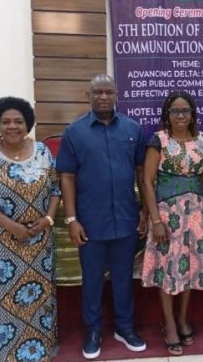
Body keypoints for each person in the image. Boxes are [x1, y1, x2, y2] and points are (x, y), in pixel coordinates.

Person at [56, 74, 147, 360]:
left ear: (117, 94)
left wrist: (145, 209)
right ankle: (93, 330)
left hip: (126, 219)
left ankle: (124, 328)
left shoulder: (133, 128)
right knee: (92, 279)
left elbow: (142, 174)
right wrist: (72, 220)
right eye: (98, 92)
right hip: (90, 222)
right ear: (88, 96)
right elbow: (67, 177)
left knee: (123, 278)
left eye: (109, 92)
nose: (104, 97)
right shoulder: (74, 132)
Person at [0, 96, 60, 362]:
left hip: (39, 244)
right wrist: (13, 227)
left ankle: (38, 350)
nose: (12, 126)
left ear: (27, 123)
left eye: (18, 121)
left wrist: (48, 220)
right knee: (0, 301)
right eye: (6, 121)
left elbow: (55, 188)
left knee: (37, 298)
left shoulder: (42, 151)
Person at [141, 90, 203, 356]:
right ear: (167, 115)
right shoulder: (158, 140)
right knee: (168, 268)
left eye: (185, 111)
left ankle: (182, 318)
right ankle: (169, 323)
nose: (180, 115)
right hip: (167, 215)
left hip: (195, 214)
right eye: (175, 111)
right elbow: (147, 182)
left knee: (190, 267)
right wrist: (155, 220)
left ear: (192, 114)